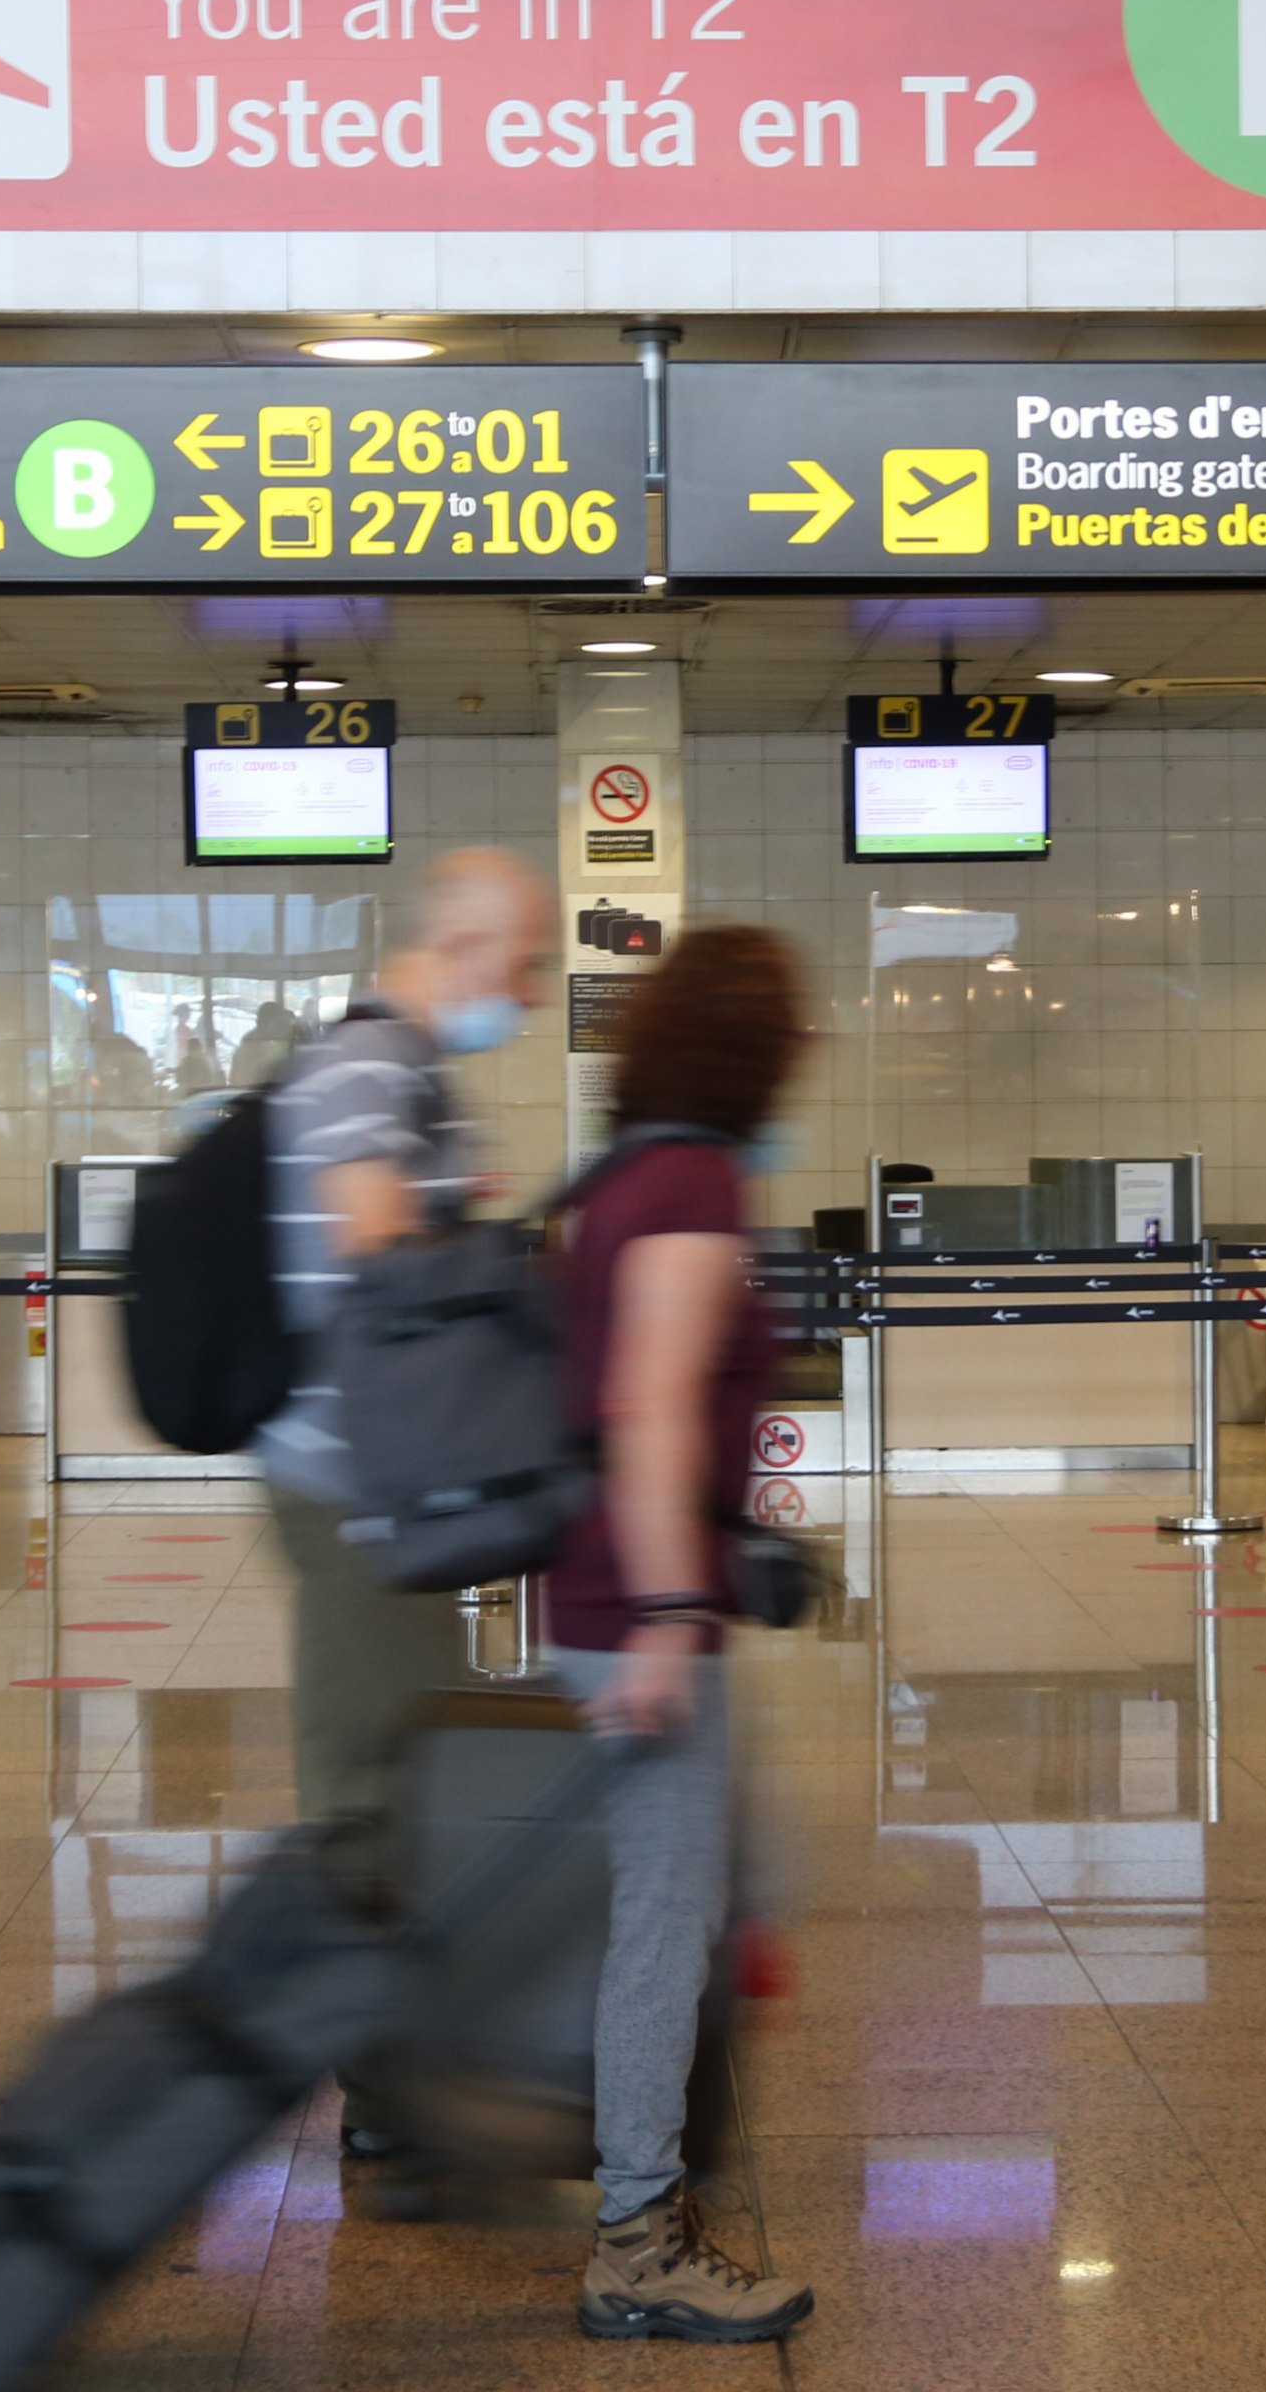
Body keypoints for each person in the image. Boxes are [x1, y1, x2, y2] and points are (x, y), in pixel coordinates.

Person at [249, 848, 557, 2147]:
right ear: (469, 946)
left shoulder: (410, 1070)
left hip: (385, 1489)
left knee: (400, 1766)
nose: (532, 994)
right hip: (346, 1490)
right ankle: (378, 2091)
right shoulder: (370, 1068)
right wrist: (513, 1276)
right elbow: (376, 1253)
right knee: (370, 1782)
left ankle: (395, 2066)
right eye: (527, 963)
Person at [547, 922, 817, 2346]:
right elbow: (648, 1406)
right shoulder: (691, 1178)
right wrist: (666, 1609)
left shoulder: (622, 1174)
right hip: (637, 1610)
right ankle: (637, 2238)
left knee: (701, 1897)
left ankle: (652, 2183)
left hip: (618, 1594)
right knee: (664, 1921)